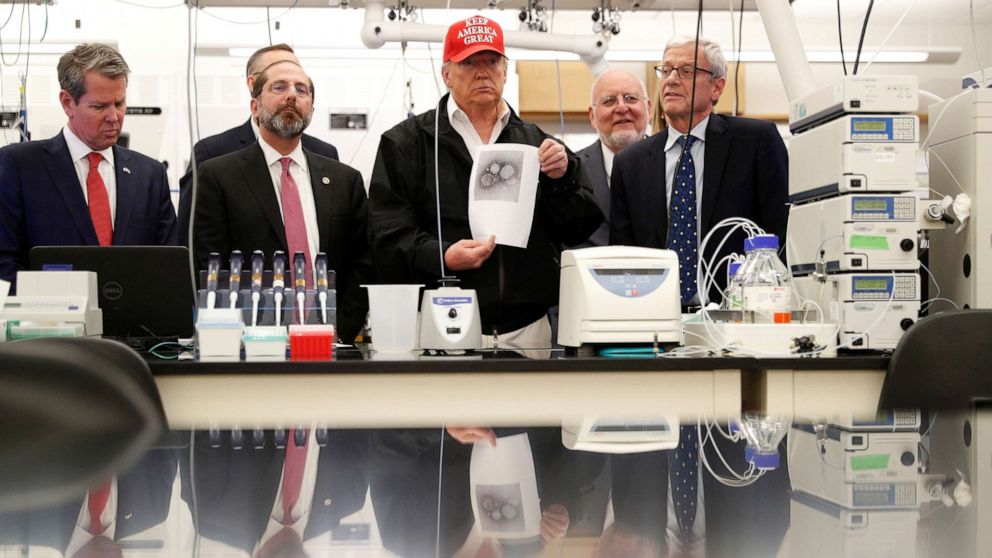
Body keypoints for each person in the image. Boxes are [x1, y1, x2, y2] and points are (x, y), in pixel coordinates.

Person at [368, 14, 602, 349]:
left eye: (491, 61)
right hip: (441, 321)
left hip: (528, 329)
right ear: (446, 74)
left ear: (505, 71)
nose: (482, 71)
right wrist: (441, 256)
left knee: (529, 405)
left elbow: (579, 227)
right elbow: (385, 235)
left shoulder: (537, 144)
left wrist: (561, 180)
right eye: (468, 62)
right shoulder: (406, 144)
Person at [192, 60, 370, 344]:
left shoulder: (344, 180)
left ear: (311, 108)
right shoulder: (218, 176)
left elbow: (362, 262)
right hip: (252, 343)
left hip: (329, 341)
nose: (292, 95)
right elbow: (210, 262)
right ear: (254, 107)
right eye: (279, 87)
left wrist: (341, 330)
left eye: (302, 90)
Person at [609, 36, 788, 307]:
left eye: (686, 71)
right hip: (655, 316)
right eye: (666, 70)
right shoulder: (630, 163)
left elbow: (781, 230)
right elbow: (624, 256)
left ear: (717, 87)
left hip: (737, 314)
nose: (670, 80)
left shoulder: (755, 142)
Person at [0, 43, 178, 289]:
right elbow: (5, 262)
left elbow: (169, 265)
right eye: (99, 106)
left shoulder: (150, 175)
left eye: (119, 103)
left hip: (135, 324)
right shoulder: (20, 167)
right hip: (50, 322)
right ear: (67, 102)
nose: (114, 117)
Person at [176, 44, 339, 246]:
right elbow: (191, 241)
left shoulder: (325, 155)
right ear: (254, 86)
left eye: (299, 85)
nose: (291, 93)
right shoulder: (212, 154)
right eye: (279, 83)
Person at [574, 69, 652, 248]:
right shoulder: (571, 171)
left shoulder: (673, 165)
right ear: (592, 116)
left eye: (630, 98)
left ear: (649, 108)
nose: (622, 108)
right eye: (609, 101)